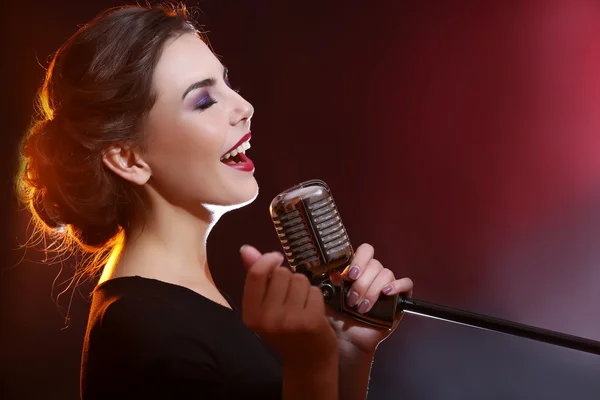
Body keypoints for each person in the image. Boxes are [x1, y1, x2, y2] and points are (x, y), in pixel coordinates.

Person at [16, 2, 414, 399]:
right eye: (204, 101)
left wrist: (345, 351)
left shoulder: (176, 304)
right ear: (127, 158)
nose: (245, 107)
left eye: (228, 83)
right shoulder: (143, 330)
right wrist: (311, 363)